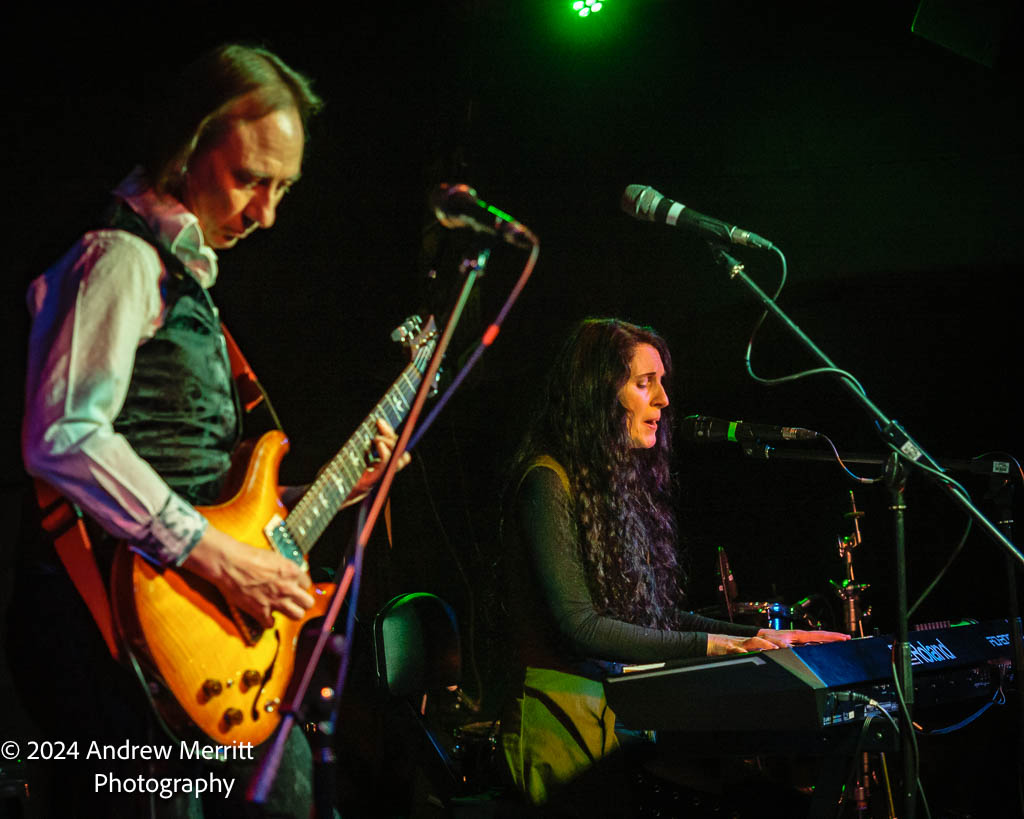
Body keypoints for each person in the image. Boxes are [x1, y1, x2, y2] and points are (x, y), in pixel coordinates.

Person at [10, 44, 406, 817]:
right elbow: (60, 434)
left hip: (194, 627)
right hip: (113, 635)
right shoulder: (118, 258)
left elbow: (189, 474)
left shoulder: (186, 287)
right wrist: (222, 558)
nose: (266, 213)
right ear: (187, 147)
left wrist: (310, 494)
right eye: (250, 179)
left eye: (283, 187)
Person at [499, 317, 849, 812]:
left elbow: (655, 621)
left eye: (662, 383)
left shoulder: (612, 488)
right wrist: (717, 646)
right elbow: (580, 627)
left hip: (618, 711)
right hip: (562, 718)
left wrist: (758, 641)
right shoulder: (547, 481)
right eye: (645, 384)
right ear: (597, 394)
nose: (663, 399)